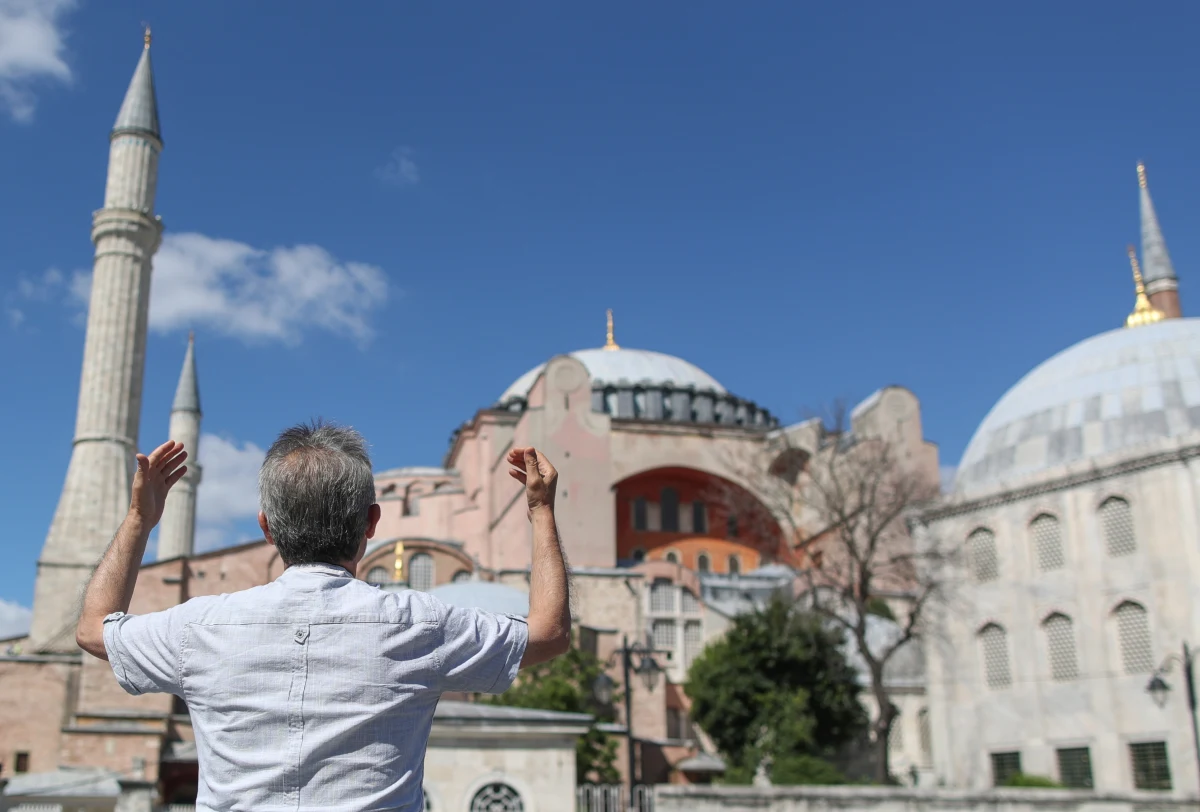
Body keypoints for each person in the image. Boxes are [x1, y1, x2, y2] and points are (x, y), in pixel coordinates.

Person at [75, 422, 570, 811]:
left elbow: (94, 629)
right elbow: (548, 634)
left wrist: (141, 518)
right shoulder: (420, 626)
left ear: (267, 528)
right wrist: (541, 512)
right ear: (371, 524)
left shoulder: (199, 629)